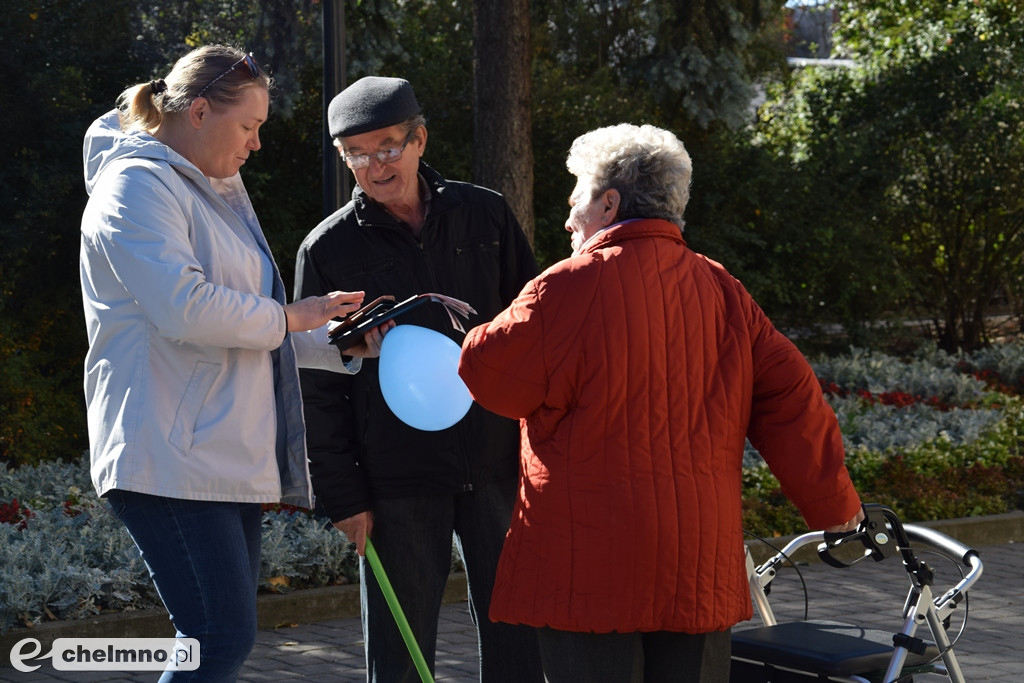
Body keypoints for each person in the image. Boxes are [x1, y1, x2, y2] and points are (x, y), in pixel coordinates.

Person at [458, 123, 865, 683]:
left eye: (575, 197)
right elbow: (794, 402)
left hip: (589, 569)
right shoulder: (725, 291)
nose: (568, 217)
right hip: (696, 566)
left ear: (609, 202)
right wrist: (837, 509)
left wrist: (471, 330)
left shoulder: (563, 287)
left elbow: (488, 375)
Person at [80, 45, 388, 681]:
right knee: (217, 638)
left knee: (219, 639)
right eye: (249, 127)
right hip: (164, 454)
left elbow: (251, 321)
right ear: (197, 111)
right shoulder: (134, 184)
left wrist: (339, 340)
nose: (255, 145)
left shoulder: (208, 190)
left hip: (211, 455)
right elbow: (186, 308)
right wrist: (295, 316)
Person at [294, 76, 544, 682]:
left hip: (495, 464)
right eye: (355, 152)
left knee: (522, 643)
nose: (375, 165)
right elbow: (314, 386)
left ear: (419, 139)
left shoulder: (485, 213)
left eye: (387, 146)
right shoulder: (327, 248)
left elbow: (537, 331)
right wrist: (343, 498)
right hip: (395, 482)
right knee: (399, 659)